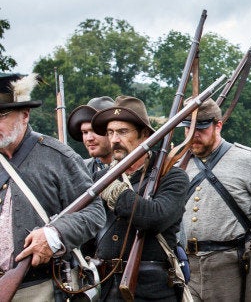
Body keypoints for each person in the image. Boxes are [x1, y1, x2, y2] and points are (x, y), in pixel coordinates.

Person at [0, 73, 105, 300]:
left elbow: (94, 212)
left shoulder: (57, 156)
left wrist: (54, 235)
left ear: (25, 115)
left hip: (40, 287)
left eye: (1, 115)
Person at [179, 98, 251, 302]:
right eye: (188, 129)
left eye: (201, 128)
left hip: (232, 264)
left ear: (218, 125)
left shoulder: (248, 161)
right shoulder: (179, 164)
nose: (194, 135)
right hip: (187, 266)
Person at [90, 96, 189, 300]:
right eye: (111, 133)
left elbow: (156, 217)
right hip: (106, 288)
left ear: (144, 135)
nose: (115, 139)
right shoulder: (101, 178)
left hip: (153, 291)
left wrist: (115, 193)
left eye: (123, 132)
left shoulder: (171, 176)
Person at [67, 96, 115, 174]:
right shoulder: (79, 171)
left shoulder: (132, 168)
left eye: (95, 131)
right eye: (85, 132)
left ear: (113, 132)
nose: (89, 138)